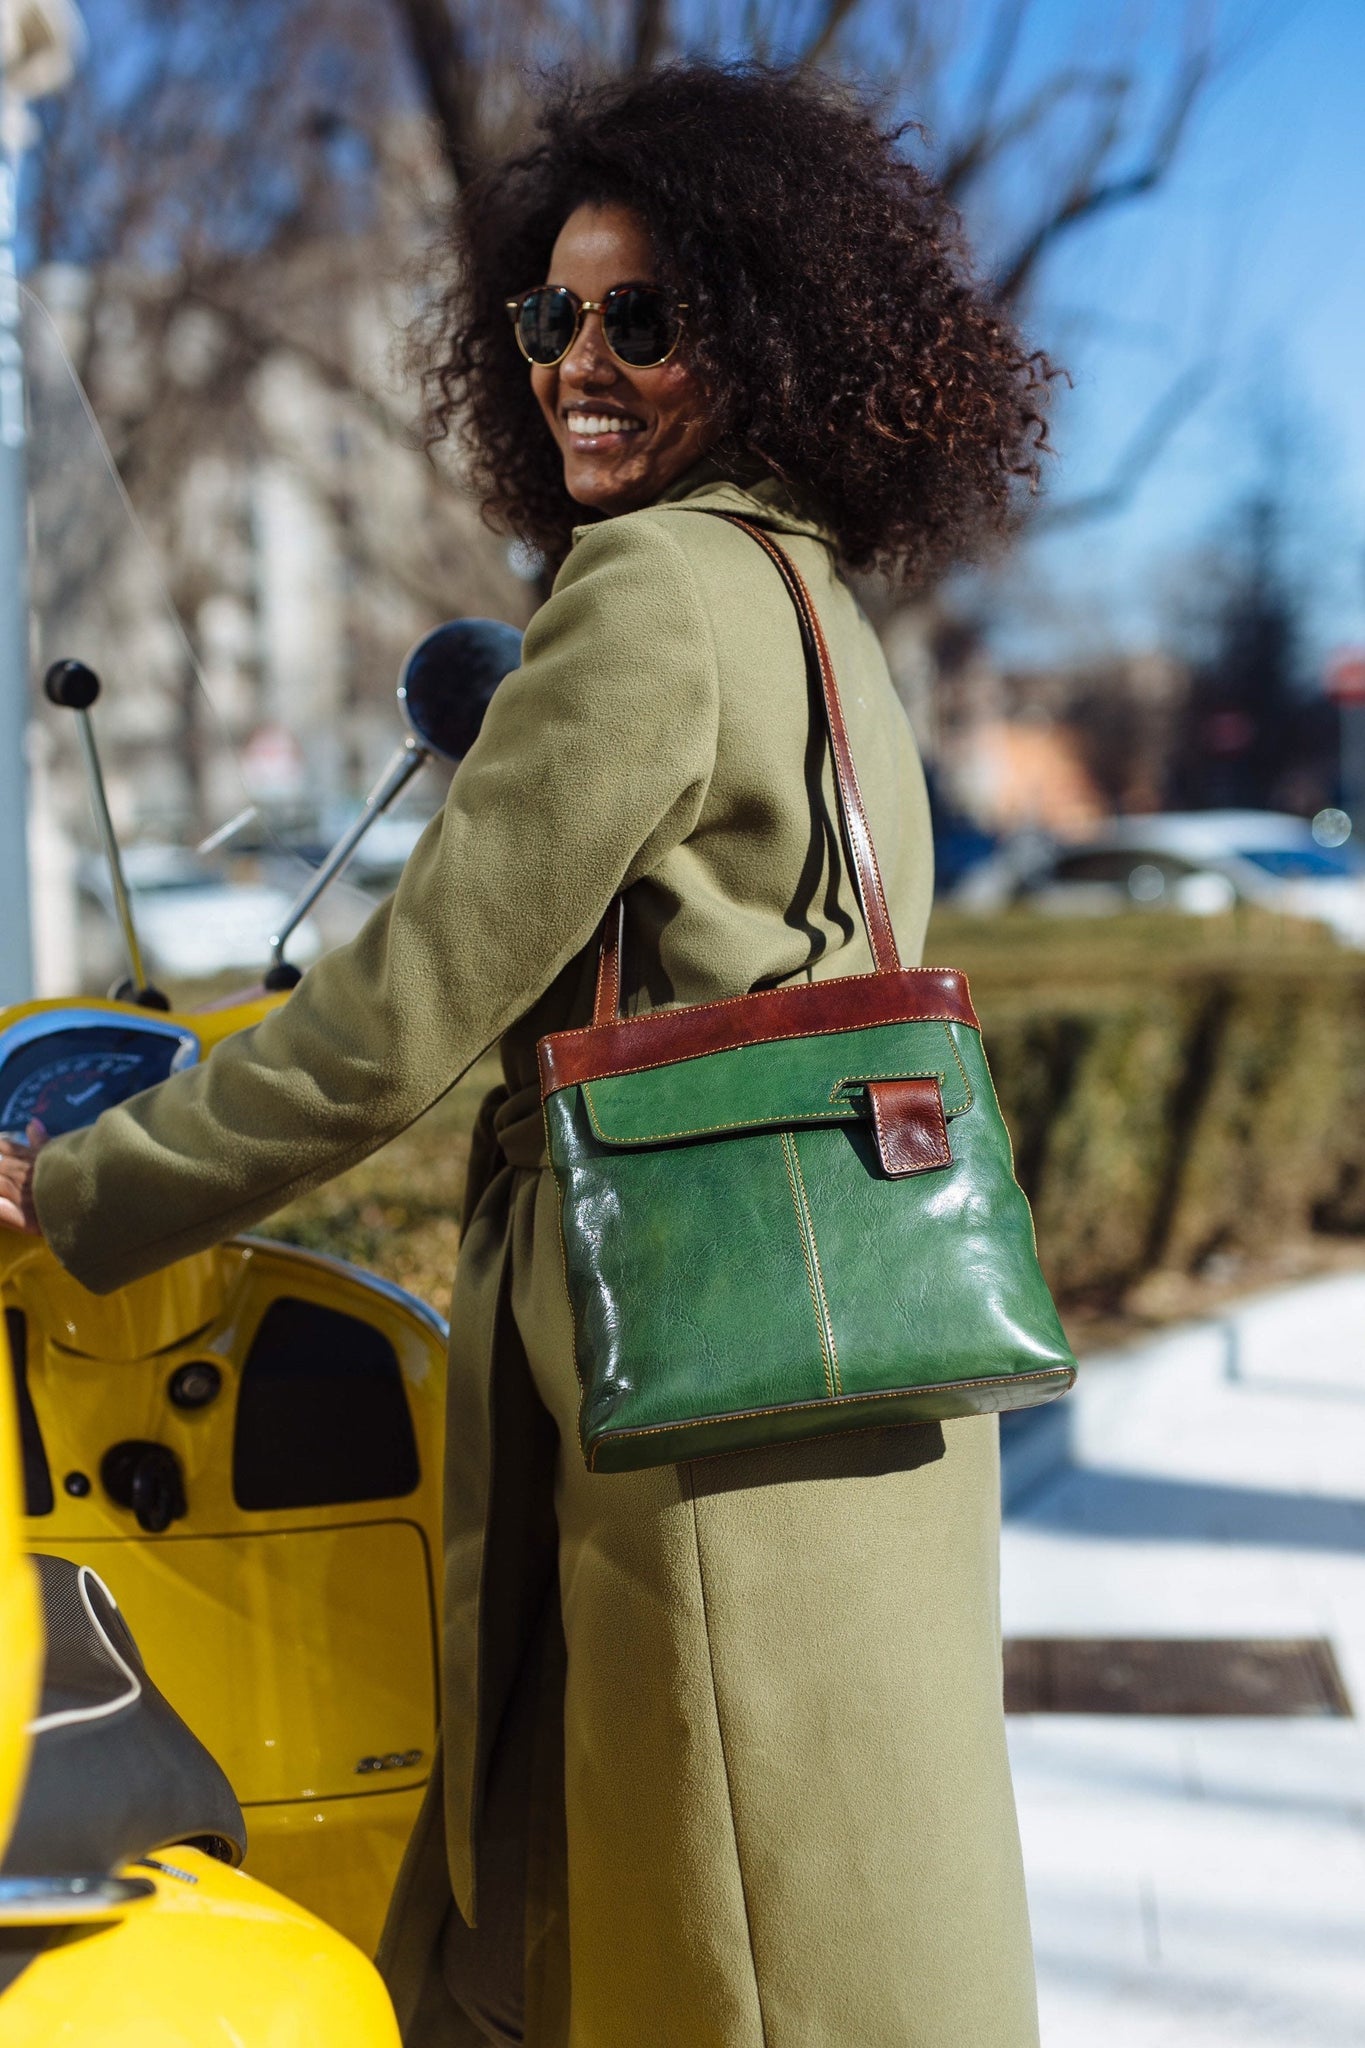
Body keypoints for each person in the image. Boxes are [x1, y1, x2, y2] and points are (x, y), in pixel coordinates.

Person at [0, 62, 1056, 2048]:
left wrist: (78, 1185)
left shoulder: (647, 594)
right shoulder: (809, 599)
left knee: (706, 1940)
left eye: (641, 319)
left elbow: (403, 1012)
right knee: (785, 1907)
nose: (582, 359)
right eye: (548, 316)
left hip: (695, 1397)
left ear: (758, 342)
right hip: (841, 1368)